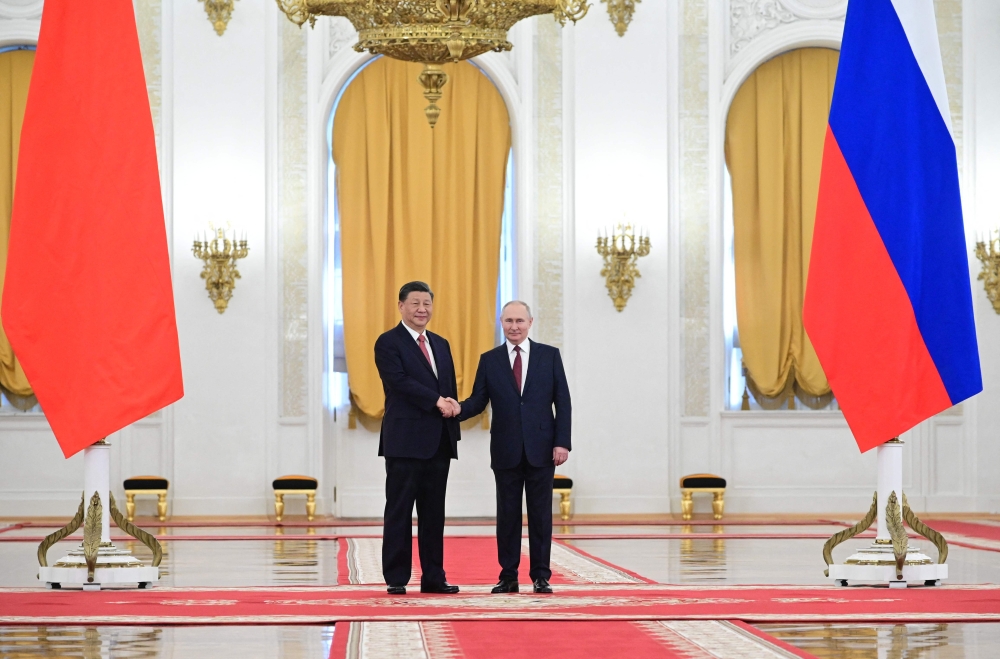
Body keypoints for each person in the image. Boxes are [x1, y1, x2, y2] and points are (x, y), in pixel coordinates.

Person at [451, 300, 571, 594]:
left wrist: (562, 442)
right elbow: (479, 402)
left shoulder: (549, 356)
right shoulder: (489, 360)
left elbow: (563, 402)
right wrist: (457, 409)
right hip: (505, 449)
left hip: (542, 449)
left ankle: (541, 576)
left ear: (531, 322)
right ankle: (508, 575)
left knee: (541, 515)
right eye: (508, 321)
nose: (514, 327)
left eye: (519, 321)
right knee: (507, 516)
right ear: (501, 323)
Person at [374, 281, 461, 595]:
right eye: (415, 303)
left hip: (439, 441)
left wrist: (452, 405)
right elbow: (399, 383)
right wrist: (436, 402)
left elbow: (446, 385)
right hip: (405, 441)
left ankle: (434, 578)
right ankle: (397, 578)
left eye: (427, 303)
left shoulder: (441, 343)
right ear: (401, 306)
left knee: (433, 514)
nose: (422, 309)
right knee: (399, 510)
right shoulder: (388, 342)